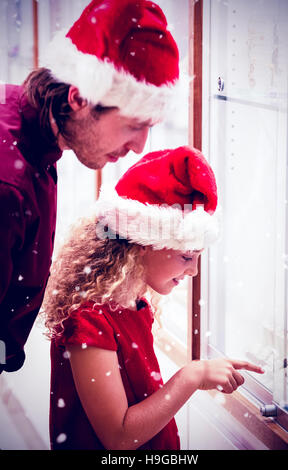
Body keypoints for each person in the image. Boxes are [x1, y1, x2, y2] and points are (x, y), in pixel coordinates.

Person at [42, 146, 264, 450]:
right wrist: (193, 376)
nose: (194, 271)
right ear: (144, 244)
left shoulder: (136, 303)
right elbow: (118, 437)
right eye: (187, 256)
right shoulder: (89, 320)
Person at [0, 0, 179, 373]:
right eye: (134, 124)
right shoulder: (8, 184)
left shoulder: (30, 134)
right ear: (79, 97)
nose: (139, 147)